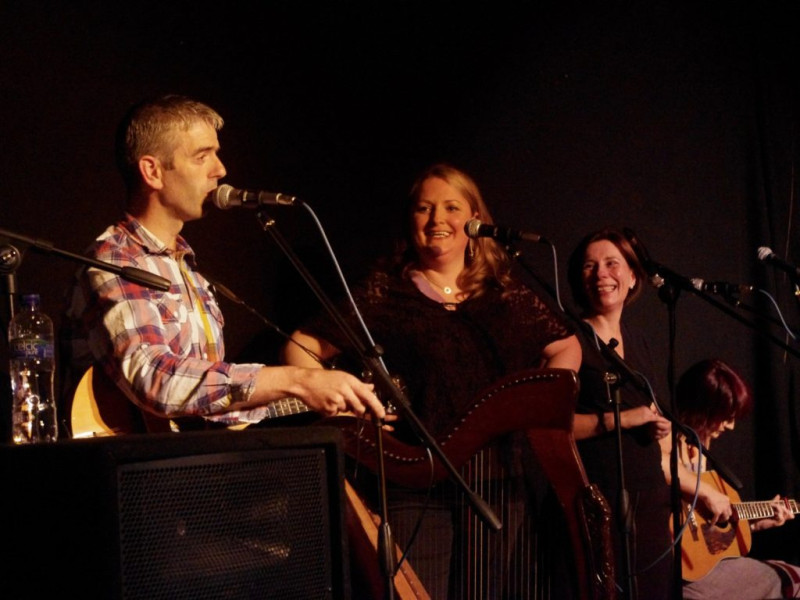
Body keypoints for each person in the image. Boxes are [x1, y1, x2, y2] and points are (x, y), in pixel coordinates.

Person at [282, 163, 582, 599]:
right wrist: (340, 398)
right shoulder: (386, 293)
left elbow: (567, 346)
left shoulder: (504, 294)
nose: (437, 219)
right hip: (414, 484)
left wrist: (536, 399)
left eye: (451, 207)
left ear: (475, 219)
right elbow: (303, 344)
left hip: (499, 482)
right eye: (424, 208)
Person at [61, 94, 385, 433]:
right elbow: (156, 379)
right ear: (152, 171)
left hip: (193, 457)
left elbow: (203, 404)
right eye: (202, 156)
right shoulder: (115, 260)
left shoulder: (190, 271)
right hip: (126, 461)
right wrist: (299, 381)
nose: (221, 170)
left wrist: (319, 395)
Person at [567, 227, 675, 599]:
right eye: (590, 266)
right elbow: (550, 425)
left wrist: (655, 424)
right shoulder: (572, 339)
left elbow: (648, 411)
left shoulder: (639, 339)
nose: (601, 273)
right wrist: (622, 420)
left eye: (612, 263)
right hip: (600, 501)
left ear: (632, 276)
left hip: (649, 498)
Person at [675, 358, 800, 599]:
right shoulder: (666, 441)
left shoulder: (700, 447)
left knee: (790, 575)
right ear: (702, 408)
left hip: (704, 567)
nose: (731, 426)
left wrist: (755, 525)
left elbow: (705, 536)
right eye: (724, 417)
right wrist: (709, 494)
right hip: (680, 574)